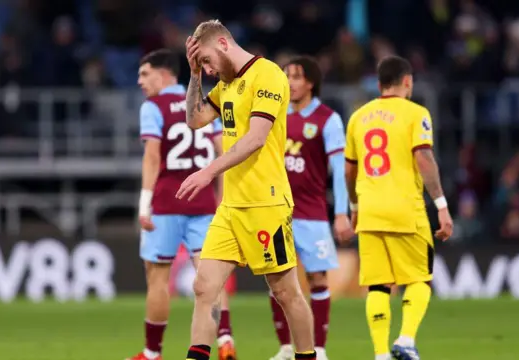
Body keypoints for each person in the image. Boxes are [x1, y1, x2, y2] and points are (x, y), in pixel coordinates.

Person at [177, 19, 317, 360]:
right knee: (204, 287)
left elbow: (256, 139)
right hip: (231, 206)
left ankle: (308, 356)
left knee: (286, 292)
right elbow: (194, 120)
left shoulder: (268, 75)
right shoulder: (226, 85)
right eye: (203, 65)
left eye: (207, 60)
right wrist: (194, 73)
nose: (209, 69)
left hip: (265, 203)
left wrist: (208, 171)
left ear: (224, 44)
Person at [343, 55, 453, 360]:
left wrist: (354, 206)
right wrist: (441, 205)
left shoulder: (358, 117)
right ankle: (405, 340)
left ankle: (380, 353)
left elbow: (348, 171)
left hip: (369, 210)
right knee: (419, 280)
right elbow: (424, 159)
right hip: (406, 208)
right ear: (407, 81)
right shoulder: (416, 113)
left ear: (379, 84)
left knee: (378, 286)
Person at [132, 48, 236, 360]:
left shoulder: (154, 106)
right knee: (211, 278)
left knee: (158, 278)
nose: (140, 81)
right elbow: (222, 151)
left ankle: (152, 353)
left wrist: (144, 203)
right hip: (203, 202)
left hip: (165, 203)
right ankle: (225, 340)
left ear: (164, 74)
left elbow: (152, 155)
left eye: (144, 74)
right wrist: (222, 197)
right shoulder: (203, 104)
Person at [268, 56, 354, 360]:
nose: (289, 82)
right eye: (286, 76)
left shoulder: (328, 119)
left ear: (311, 82)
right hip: (277, 210)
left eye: (295, 76)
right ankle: (284, 348)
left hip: (313, 213)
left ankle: (318, 348)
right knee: (277, 280)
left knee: (317, 279)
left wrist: (342, 212)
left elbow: (340, 169)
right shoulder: (275, 115)